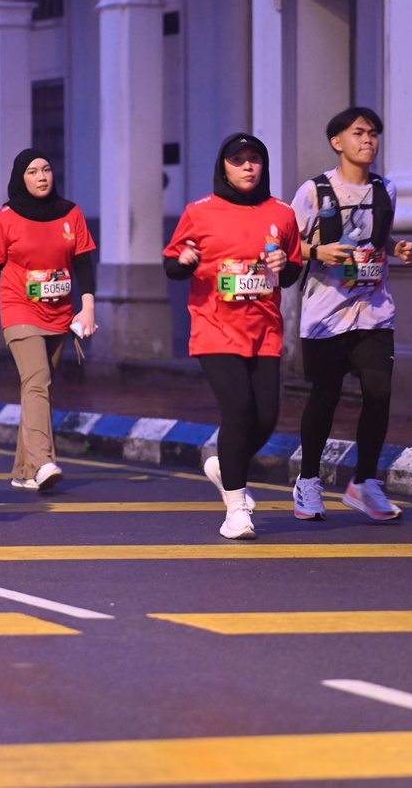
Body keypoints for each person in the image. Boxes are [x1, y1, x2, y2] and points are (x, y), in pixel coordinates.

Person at [163, 133, 302, 540]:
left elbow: (292, 271)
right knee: (239, 409)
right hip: (215, 325)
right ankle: (236, 509)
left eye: (253, 159)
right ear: (223, 166)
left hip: (265, 327)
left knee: (266, 416)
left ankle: (227, 465)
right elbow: (172, 265)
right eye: (237, 159)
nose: (247, 166)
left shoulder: (282, 212)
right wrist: (185, 260)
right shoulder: (199, 211)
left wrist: (284, 262)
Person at [290, 106, 412, 522]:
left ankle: (363, 482)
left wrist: (397, 248)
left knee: (379, 393)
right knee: (325, 397)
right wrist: (318, 251)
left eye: (373, 133)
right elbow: (286, 246)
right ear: (337, 142)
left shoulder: (386, 189)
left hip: (374, 311)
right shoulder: (314, 191)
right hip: (325, 314)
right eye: (359, 133)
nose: (368, 140)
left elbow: (380, 237)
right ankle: (308, 480)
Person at [0, 149, 96, 490]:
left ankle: (23, 471)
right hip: (19, 309)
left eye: (46, 169)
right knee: (38, 380)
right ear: (20, 178)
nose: (41, 177)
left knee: (37, 386)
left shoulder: (71, 213)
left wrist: (88, 308)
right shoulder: (4, 218)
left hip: (60, 313)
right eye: (33, 172)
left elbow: (83, 263)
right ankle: (42, 462)